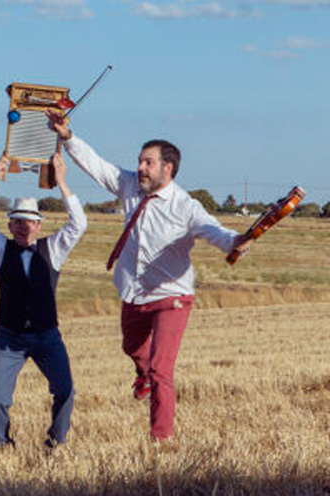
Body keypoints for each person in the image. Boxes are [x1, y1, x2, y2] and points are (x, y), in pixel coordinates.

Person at [47, 112, 250, 440]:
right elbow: (96, 164)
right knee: (131, 347)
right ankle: (143, 375)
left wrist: (236, 241)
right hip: (133, 291)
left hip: (172, 296)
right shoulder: (129, 185)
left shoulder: (186, 206)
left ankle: (161, 440)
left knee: (161, 369)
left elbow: (213, 230)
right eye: (140, 162)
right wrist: (67, 137)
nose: (140, 168)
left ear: (167, 169)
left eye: (148, 163)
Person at [0, 153, 86, 448]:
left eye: (30, 222)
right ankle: (2, 446)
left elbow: (79, 222)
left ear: (39, 226)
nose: (23, 227)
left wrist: (62, 184)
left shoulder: (54, 248)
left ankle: (56, 441)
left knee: (66, 390)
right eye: (18, 222)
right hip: (8, 338)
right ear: (10, 226)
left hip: (47, 335)